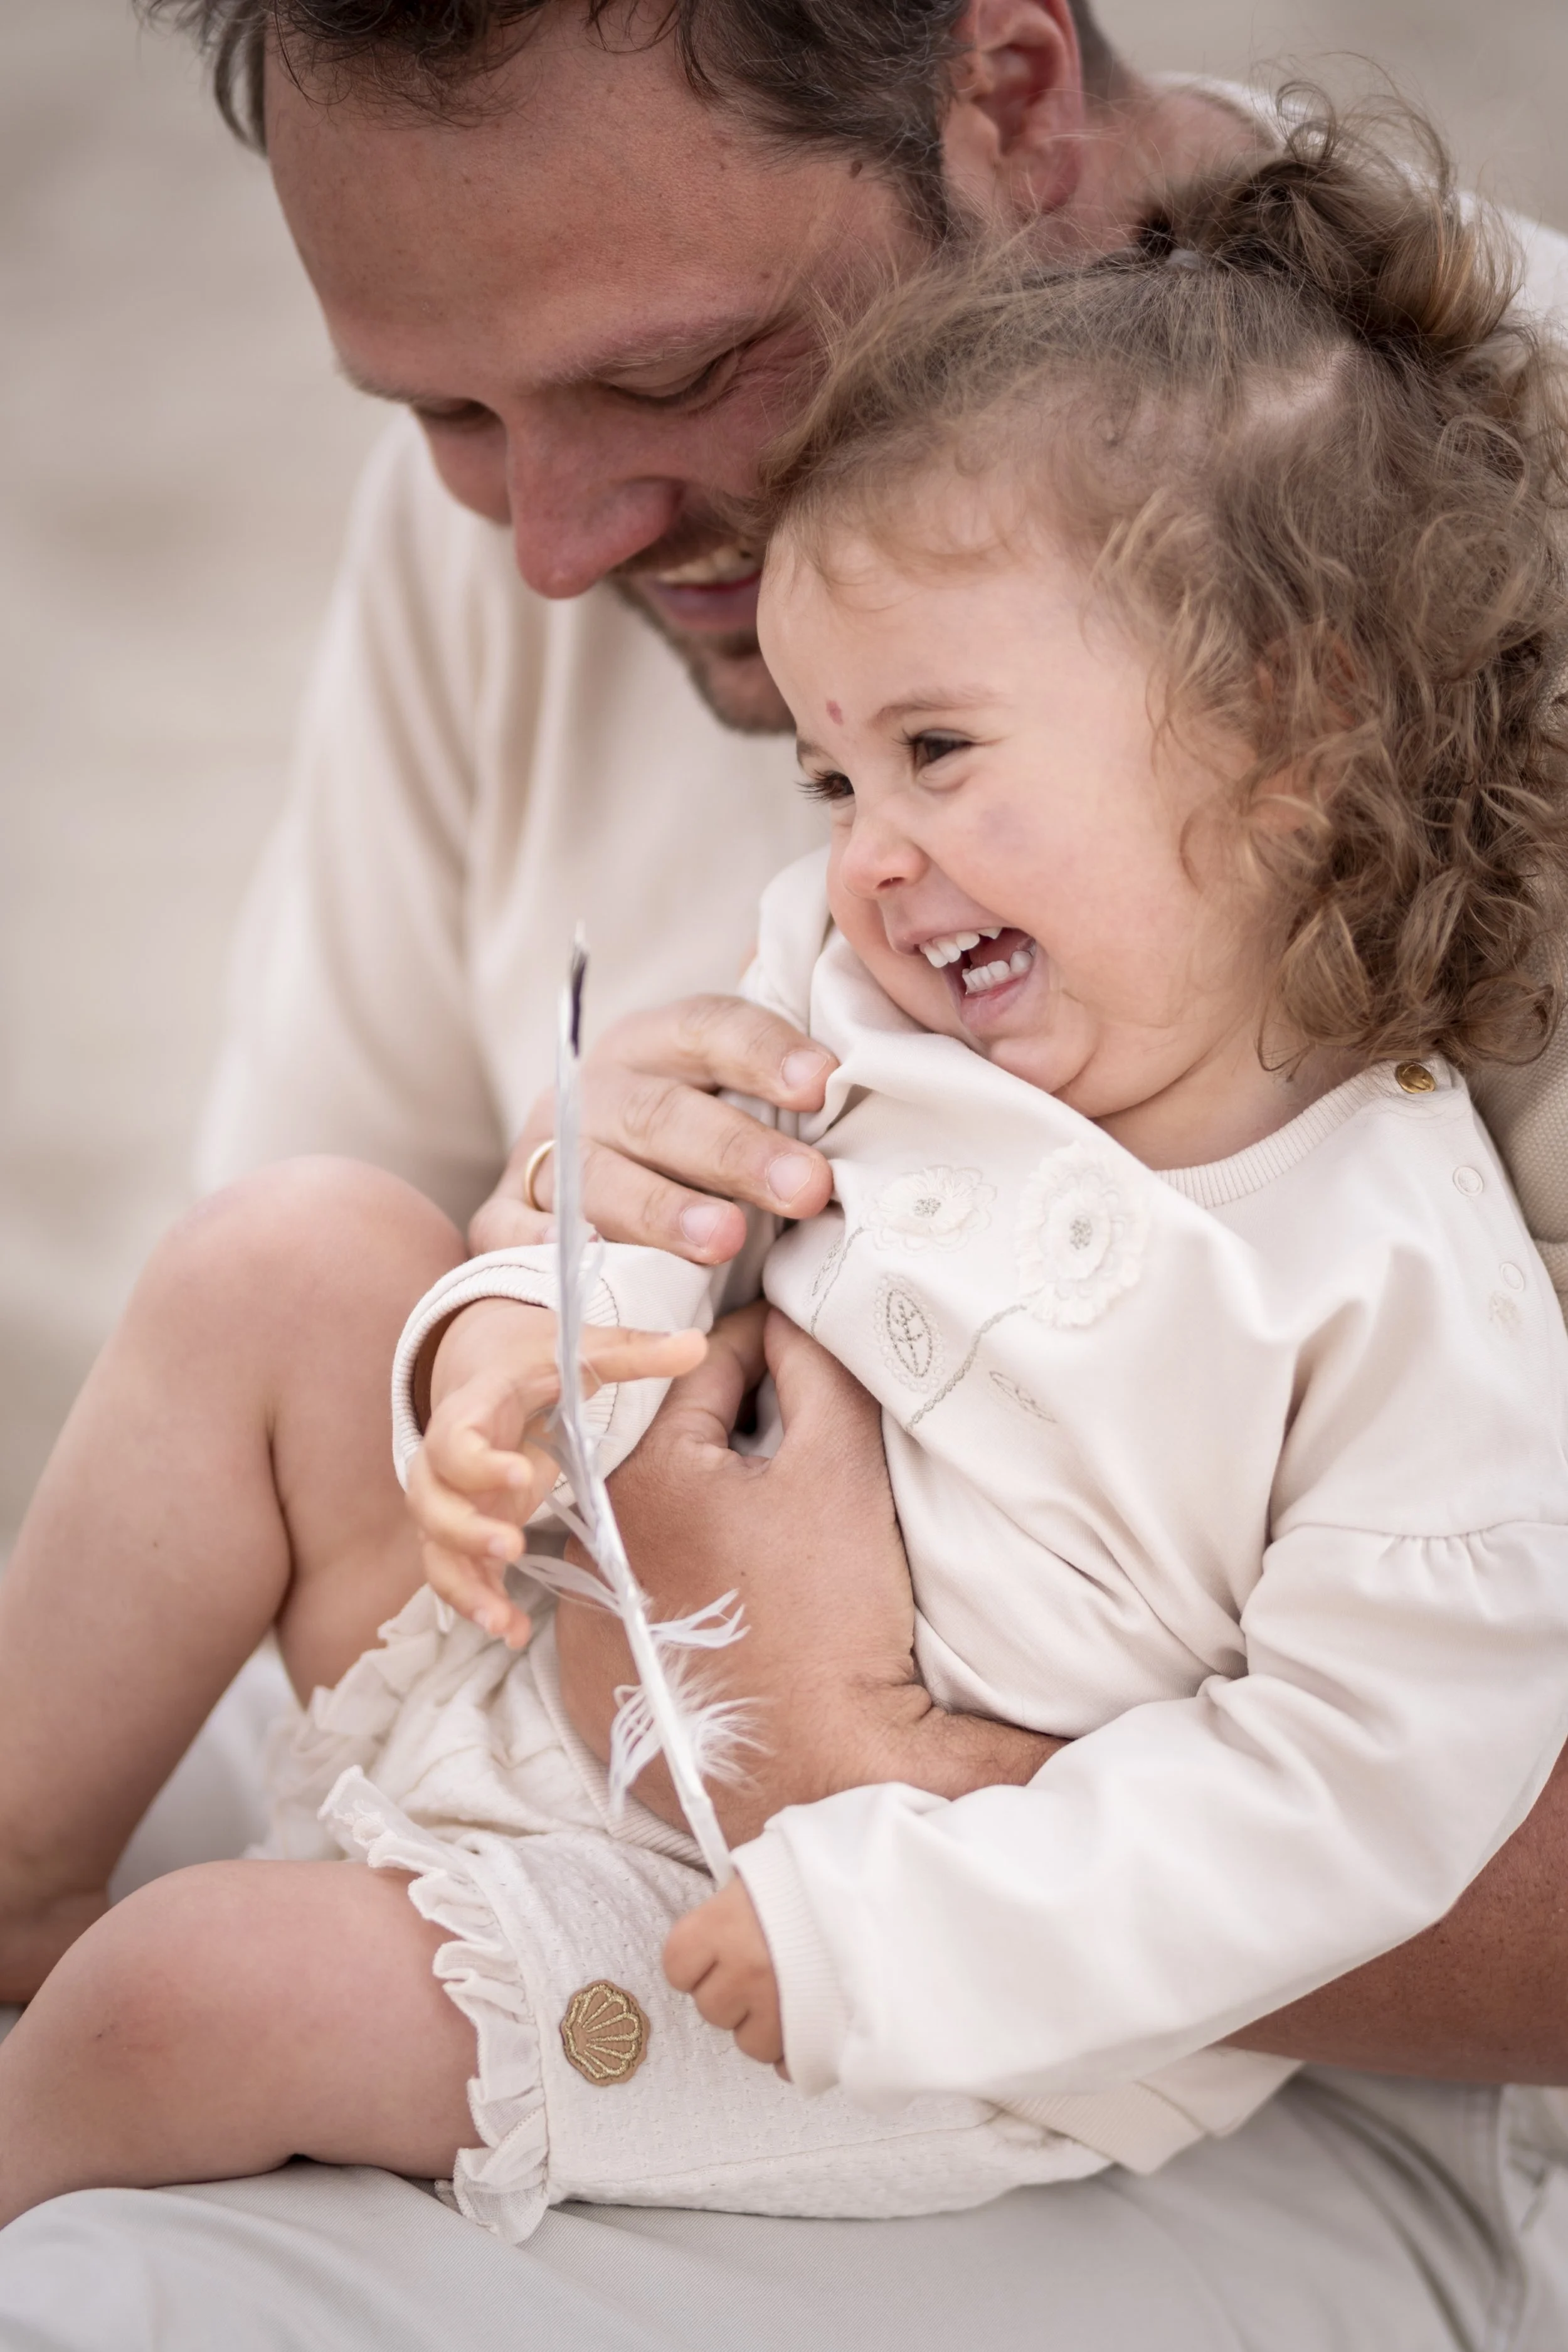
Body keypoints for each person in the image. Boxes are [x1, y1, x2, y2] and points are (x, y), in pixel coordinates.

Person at [2, 0, 1568, 2343]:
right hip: (558, 1674)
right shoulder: (746, 747)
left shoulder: (1372, 1231)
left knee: (136, 2235)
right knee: (286, 1259)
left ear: (1010, 88)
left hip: (1122, 2015)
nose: (544, 545)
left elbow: (1377, 1767)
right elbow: (410, 1303)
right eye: (439, 413)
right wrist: (527, 1271)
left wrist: (876, 1775)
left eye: (673, 376)